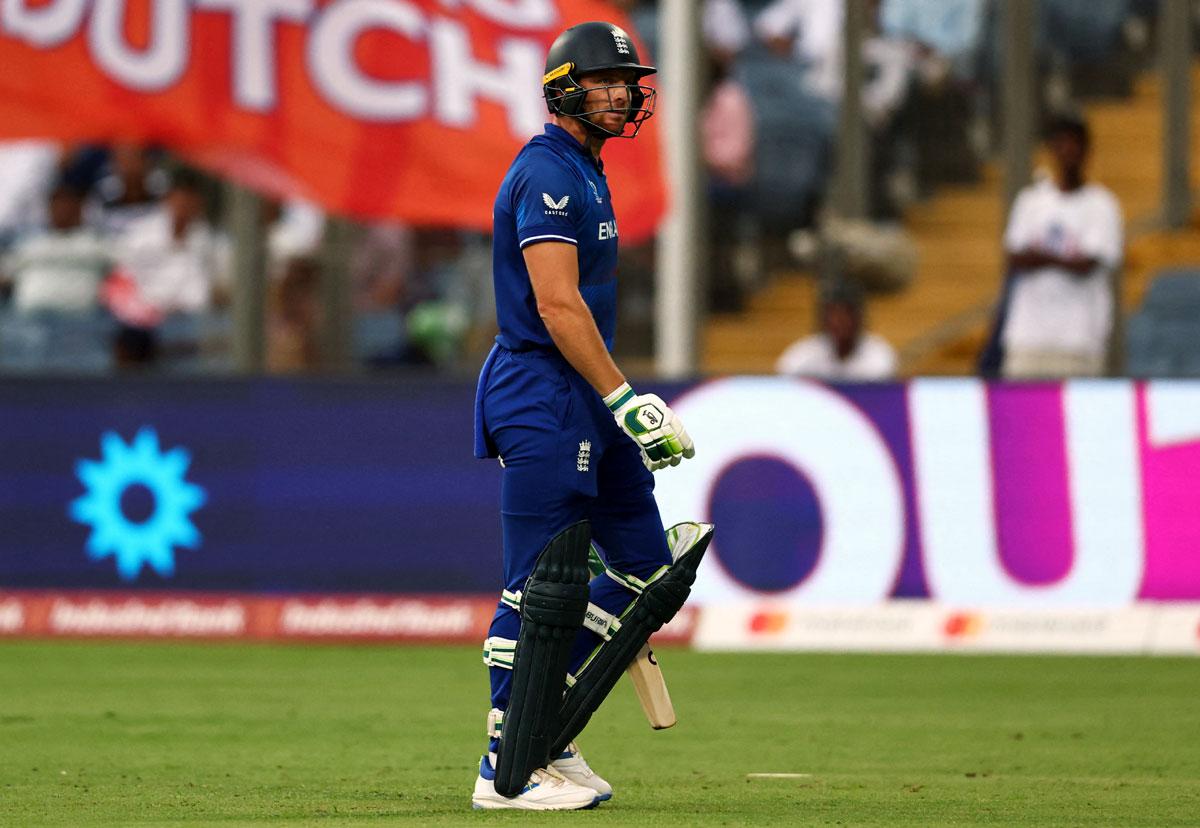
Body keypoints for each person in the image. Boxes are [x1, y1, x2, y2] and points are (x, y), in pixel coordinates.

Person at [470, 21, 711, 811]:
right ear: (565, 87)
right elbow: (556, 304)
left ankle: (548, 729)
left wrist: (612, 400)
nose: (626, 93)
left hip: (582, 390)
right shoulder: (547, 173)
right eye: (609, 80)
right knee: (539, 587)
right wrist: (626, 399)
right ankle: (508, 762)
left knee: (647, 572)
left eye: (628, 81)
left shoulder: (588, 169)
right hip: (540, 391)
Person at [997, 115, 1123, 378]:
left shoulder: (1102, 205)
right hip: (1027, 338)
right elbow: (1015, 259)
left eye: (1075, 143)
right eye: (1062, 142)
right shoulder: (1030, 201)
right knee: (1021, 416)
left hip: (1078, 340)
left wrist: (1040, 256)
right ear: (1051, 148)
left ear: (1087, 150)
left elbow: (1087, 265)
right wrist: (1063, 259)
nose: (1069, 151)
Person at [1, 183, 111, 314]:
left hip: (81, 322)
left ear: (79, 208)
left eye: (67, 205)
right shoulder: (30, 244)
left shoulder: (97, 243)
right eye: (57, 206)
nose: (62, 211)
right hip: (29, 321)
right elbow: (5, 274)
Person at [776, 279, 898, 380]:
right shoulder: (804, 354)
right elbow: (785, 383)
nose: (840, 323)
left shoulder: (879, 353)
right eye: (834, 316)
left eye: (846, 315)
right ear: (823, 319)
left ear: (858, 318)